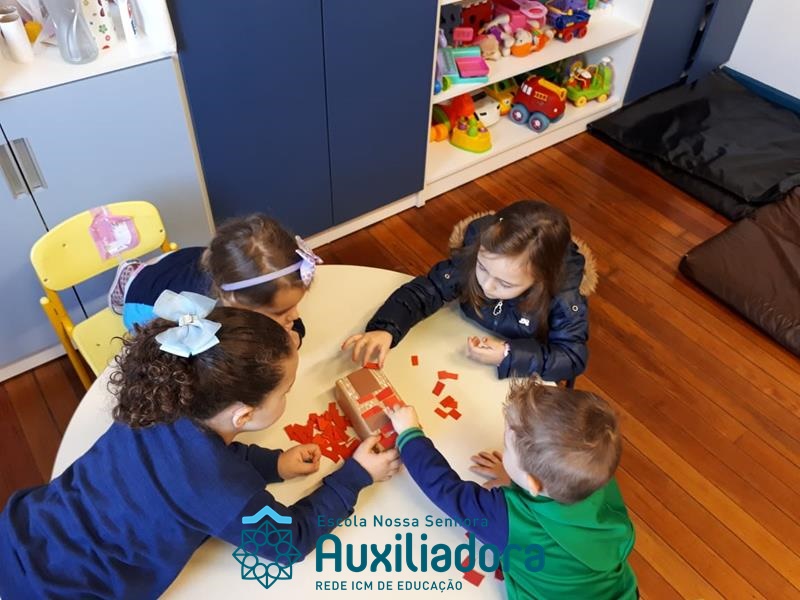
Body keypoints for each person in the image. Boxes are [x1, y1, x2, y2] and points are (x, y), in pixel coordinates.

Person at [0, 292, 399, 598]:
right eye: (286, 391)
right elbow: (290, 542)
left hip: (21, 531)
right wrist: (355, 476)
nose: (287, 397)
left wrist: (273, 465)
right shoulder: (221, 489)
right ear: (243, 415)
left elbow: (190, 458)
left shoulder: (156, 399)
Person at [387, 380, 637, 599]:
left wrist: (410, 434)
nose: (503, 447)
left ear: (533, 483)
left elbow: (446, 490)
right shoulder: (594, 479)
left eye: (507, 447)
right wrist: (516, 476)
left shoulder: (505, 517)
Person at [343, 200, 596, 382]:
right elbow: (426, 291)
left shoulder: (563, 297)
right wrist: (387, 328)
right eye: (482, 268)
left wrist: (508, 354)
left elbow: (571, 357)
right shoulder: (473, 254)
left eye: (505, 284)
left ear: (540, 280)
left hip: (514, 376)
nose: (487, 285)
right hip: (460, 346)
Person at [108, 214, 318, 347]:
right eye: (281, 311)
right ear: (236, 301)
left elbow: (291, 322)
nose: (295, 315)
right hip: (143, 300)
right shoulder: (199, 318)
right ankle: (130, 278)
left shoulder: (238, 277)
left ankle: (146, 269)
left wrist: (295, 336)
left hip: (184, 262)